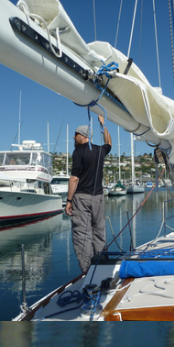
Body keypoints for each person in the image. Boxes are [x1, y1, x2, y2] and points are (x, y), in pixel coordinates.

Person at [65, 112, 113, 274]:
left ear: (83, 136)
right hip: (98, 198)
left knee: (82, 235)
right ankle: (102, 268)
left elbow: (74, 179)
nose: (74, 137)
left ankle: (88, 272)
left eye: (76, 135)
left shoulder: (78, 152)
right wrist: (103, 124)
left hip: (82, 198)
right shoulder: (100, 151)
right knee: (99, 232)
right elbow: (109, 142)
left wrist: (69, 201)